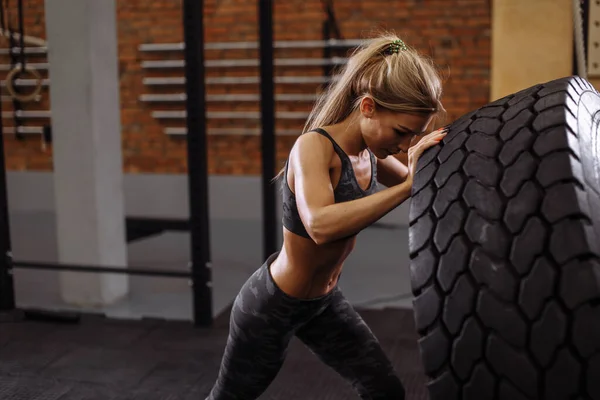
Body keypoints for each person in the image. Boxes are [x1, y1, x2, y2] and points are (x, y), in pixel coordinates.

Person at [206, 33, 448, 400]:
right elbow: (319, 224)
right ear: (368, 107)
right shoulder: (314, 148)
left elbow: (423, 182)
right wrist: (405, 186)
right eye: (401, 132)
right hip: (272, 306)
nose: (404, 145)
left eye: (414, 134)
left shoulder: (371, 154)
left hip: (323, 303)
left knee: (385, 391)